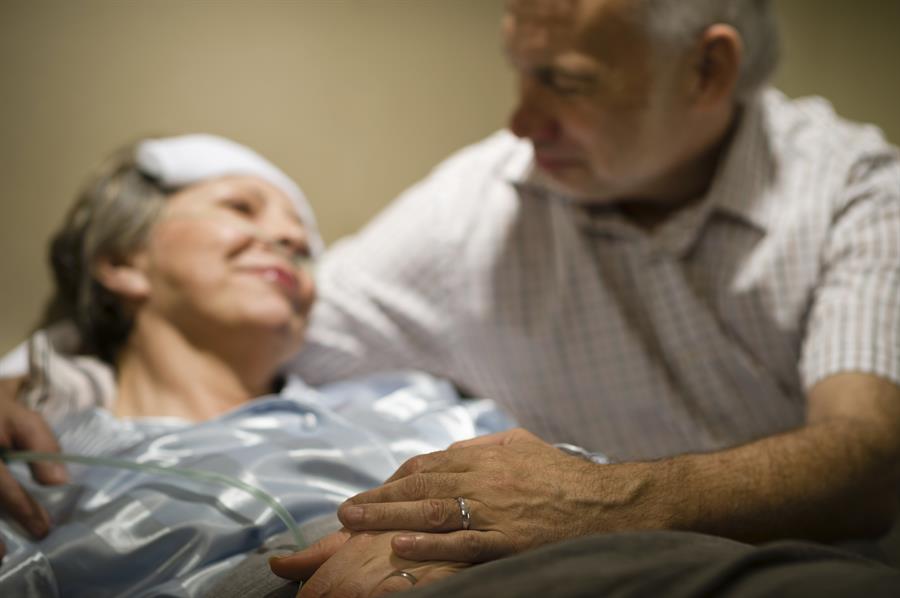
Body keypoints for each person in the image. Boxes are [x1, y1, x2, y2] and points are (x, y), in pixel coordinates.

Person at [1, 0, 899, 594]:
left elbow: (870, 459)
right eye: (522, 67)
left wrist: (577, 506)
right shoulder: (480, 208)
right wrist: (25, 386)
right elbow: (215, 341)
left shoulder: (856, 191)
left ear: (707, 73)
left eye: (569, 82)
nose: (519, 120)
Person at [0, 134, 514, 596]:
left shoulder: (419, 407)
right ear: (121, 262)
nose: (289, 240)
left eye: (303, 246)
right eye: (241, 208)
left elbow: (563, 492)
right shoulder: (43, 468)